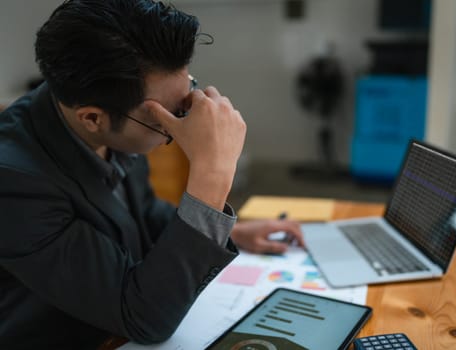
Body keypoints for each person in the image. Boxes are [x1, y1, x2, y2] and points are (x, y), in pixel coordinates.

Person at [0, 0, 303, 348]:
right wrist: (212, 173)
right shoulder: (13, 182)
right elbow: (144, 318)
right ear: (93, 118)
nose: (179, 122)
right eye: (165, 118)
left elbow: (143, 215)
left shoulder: (107, 114)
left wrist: (228, 230)